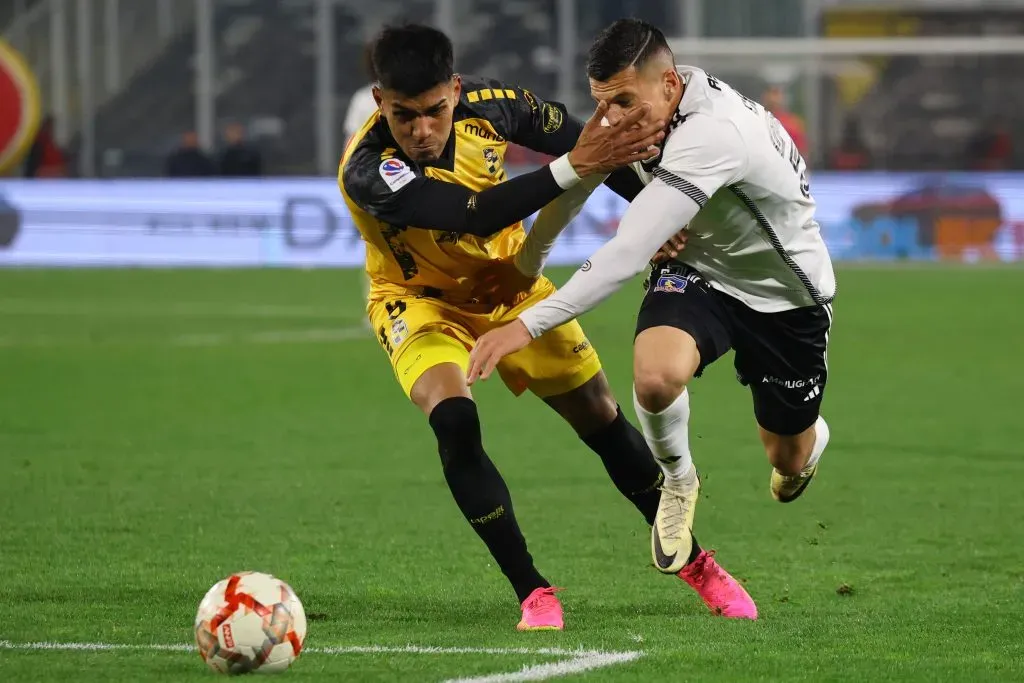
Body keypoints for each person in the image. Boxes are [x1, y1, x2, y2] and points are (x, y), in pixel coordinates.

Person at [339, 23, 756, 631]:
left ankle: (697, 565)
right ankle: (532, 590)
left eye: (434, 111)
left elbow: (586, 142)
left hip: (510, 282)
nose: (422, 131)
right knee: (454, 419)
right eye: (405, 116)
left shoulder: (494, 107)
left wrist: (650, 210)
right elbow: (469, 214)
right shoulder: (368, 170)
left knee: (602, 419)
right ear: (381, 103)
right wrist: (575, 165)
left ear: (455, 90)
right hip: (419, 299)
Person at [468, 19, 837, 587]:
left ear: (668, 83)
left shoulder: (714, 133)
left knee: (784, 458)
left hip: (783, 295)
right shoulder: (635, 111)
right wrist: (527, 266)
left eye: (621, 102)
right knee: (656, 378)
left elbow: (628, 248)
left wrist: (525, 326)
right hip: (699, 270)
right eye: (602, 104)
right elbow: (580, 178)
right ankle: (678, 480)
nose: (611, 117)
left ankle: (808, 443)